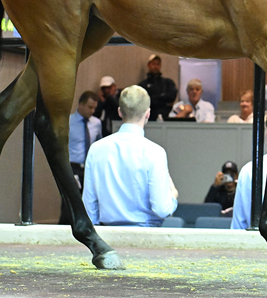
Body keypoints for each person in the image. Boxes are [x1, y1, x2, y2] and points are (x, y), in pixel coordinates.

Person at [82, 86, 178, 226]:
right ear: (148, 114)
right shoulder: (155, 152)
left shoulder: (96, 149)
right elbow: (162, 209)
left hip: (106, 238)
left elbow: (89, 209)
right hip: (147, 238)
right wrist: (173, 195)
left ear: (120, 112)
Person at [59, 90, 103, 224]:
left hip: (89, 167)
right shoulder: (68, 121)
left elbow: (98, 143)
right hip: (73, 166)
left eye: (95, 107)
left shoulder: (96, 123)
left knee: (89, 201)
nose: (92, 110)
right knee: (70, 201)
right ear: (80, 105)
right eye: (90, 107)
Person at [137, 54, 178, 121]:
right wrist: (163, 100)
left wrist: (153, 97)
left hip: (166, 119)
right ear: (148, 65)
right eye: (153, 64)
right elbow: (143, 102)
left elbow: (171, 97)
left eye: (158, 64)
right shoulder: (143, 85)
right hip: (149, 120)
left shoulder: (167, 83)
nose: (155, 66)